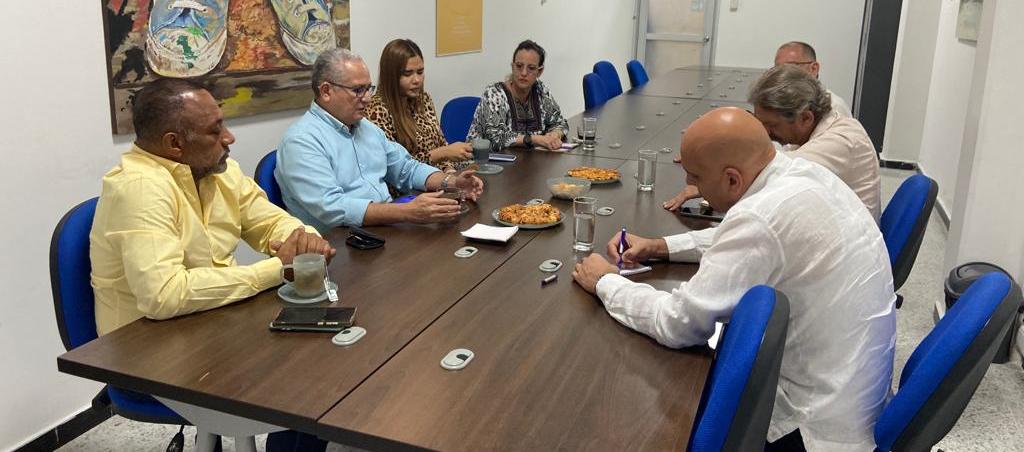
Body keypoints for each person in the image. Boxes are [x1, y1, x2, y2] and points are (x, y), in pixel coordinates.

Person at [573, 107, 896, 452]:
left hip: (812, 429)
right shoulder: (799, 174)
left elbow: (678, 323)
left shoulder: (760, 217)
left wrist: (607, 282)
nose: (689, 186)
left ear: (732, 180)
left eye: (695, 177)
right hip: (853, 400)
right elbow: (749, 236)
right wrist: (662, 246)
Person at [89, 78, 333, 452]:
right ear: (174, 143)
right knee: (305, 380)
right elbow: (164, 295)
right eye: (216, 129)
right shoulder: (140, 188)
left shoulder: (218, 172)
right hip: (148, 352)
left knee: (324, 356)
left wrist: (302, 236)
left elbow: (269, 221)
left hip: (211, 323)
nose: (229, 138)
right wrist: (278, 269)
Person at [275, 48, 485, 231]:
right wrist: (405, 212)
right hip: (339, 245)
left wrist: (451, 182)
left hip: (384, 228)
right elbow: (333, 208)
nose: (367, 98)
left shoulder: (365, 128)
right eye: (358, 90)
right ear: (326, 91)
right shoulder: (301, 142)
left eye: (369, 88)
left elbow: (406, 168)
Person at [663, 65, 881, 221]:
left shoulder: (839, 143)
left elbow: (764, 174)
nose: (764, 133)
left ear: (805, 118)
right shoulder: (813, 127)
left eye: (771, 126)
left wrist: (710, 174)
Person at [365, 38, 473, 171]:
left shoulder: (424, 100)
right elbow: (394, 168)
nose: (417, 80)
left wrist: (449, 173)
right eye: (407, 74)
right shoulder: (376, 110)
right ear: (391, 76)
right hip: (408, 189)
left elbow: (440, 143)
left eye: (420, 72)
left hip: (438, 180)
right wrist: (442, 153)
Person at [466, 39, 569, 151]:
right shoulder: (494, 94)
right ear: (512, 67)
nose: (524, 73)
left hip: (526, 160)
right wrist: (535, 139)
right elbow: (496, 140)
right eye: (519, 66)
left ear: (540, 71)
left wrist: (554, 135)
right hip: (483, 162)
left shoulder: (540, 90)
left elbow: (560, 123)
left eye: (531, 68)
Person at [773, 41, 852, 118]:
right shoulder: (778, 102)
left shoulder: (834, 108)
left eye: (790, 67)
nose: (782, 74)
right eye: (777, 69)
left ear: (813, 69)